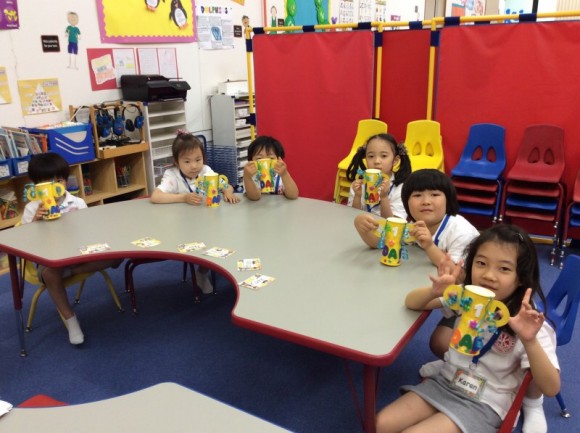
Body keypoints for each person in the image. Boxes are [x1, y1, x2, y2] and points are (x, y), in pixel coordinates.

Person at [376, 224, 560, 433]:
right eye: (481, 263)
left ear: (521, 278)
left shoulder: (527, 321)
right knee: (381, 424)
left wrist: (529, 341)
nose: (489, 275)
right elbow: (412, 303)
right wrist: (434, 292)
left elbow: (551, 388)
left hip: (485, 402)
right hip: (446, 382)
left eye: (504, 269)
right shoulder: (468, 297)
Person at [21, 153, 123, 345]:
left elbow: (90, 229)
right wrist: (35, 221)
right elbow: (27, 242)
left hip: (79, 253)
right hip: (50, 258)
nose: (54, 187)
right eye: (47, 184)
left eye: (59, 181)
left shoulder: (77, 202)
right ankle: (71, 320)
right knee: (50, 273)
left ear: (66, 180)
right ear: (36, 186)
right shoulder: (32, 208)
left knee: (118, 256)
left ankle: (70, 271)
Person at [150, 131, 239, 294]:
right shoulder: (172, 175)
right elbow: (155, 196)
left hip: (207, 223)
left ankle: (204, 271)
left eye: (198, 160)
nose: (194, 166)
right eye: (187, 161)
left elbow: (225, 185)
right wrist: (183, 198)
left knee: (222, 236)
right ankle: (202, 273)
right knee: (206, 242)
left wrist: (227, 191)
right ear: (176, 162)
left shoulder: (206, 171)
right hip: (183, 227)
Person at [346, 133, 411, 219]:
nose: (376, 161)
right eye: (371, 156)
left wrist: (384, 197)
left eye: (383, 156)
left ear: (395, 160)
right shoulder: (358, 184)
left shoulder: (401, 188)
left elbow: (393, 223)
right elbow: (353, 216)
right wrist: (357, 196)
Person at [242, 135, 299, 201]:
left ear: (279, 159)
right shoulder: (251, 175)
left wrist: (285, 174)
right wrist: (247, 177)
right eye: (259, 158)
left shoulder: (281, 174)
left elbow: (293, 195)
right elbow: (254, 197)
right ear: (251, 161)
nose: (265, 163)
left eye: (271, 158)